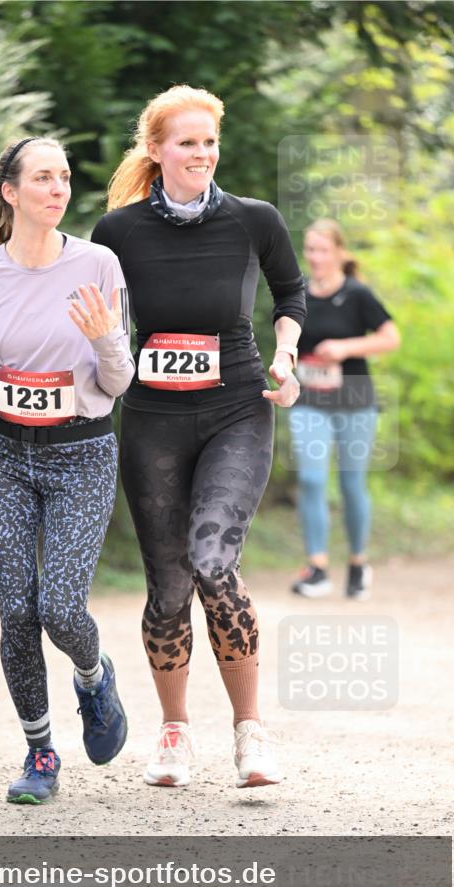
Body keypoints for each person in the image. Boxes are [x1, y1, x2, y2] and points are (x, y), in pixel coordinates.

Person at [91, 85, 306, 790]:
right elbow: (94, 320)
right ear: (156, 151)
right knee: (166, 587)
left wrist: (286, 353)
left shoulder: (254, 219)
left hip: (236, 408)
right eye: (187, 143)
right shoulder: (118, 232)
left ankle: (249, 733)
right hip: (152, 418)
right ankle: (175, 735)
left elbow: (290, 293)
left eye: (209, 142)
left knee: (213, 559)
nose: (202, 154)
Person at [0, 136, 135, 804]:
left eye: (65, 178)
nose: (58, 188)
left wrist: (108, 340)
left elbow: (116, 382)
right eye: (43, 178)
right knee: (16, 612)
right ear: (10, 192)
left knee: (59, 607)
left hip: (80, 454)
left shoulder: (99, 264)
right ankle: (40, 753)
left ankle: (91, 676)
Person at [288, 219, 400, 600]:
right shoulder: (298, 293)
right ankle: (317, 567)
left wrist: (346, 348)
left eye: (323, 250)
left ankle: (357, 563)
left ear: (339, 253)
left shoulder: (357, 294)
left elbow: (390, 338)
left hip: (354, 400)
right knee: (312, 479)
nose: (316, 257)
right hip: (309, 401)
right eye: (311, 250)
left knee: (352, 484)